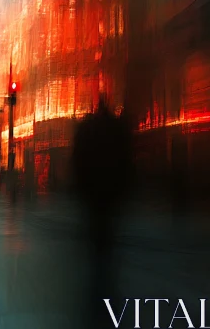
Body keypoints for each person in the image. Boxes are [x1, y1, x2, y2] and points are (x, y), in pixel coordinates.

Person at [71, 95, 133, 324]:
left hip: (93, 191)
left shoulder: (88, 131)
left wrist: (79, 185)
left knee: (97, 229)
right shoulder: (116, 131)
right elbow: (126, 160)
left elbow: (78, 160)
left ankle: (98, 265)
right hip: (110, 190)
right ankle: (104, 266)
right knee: (107, 231)